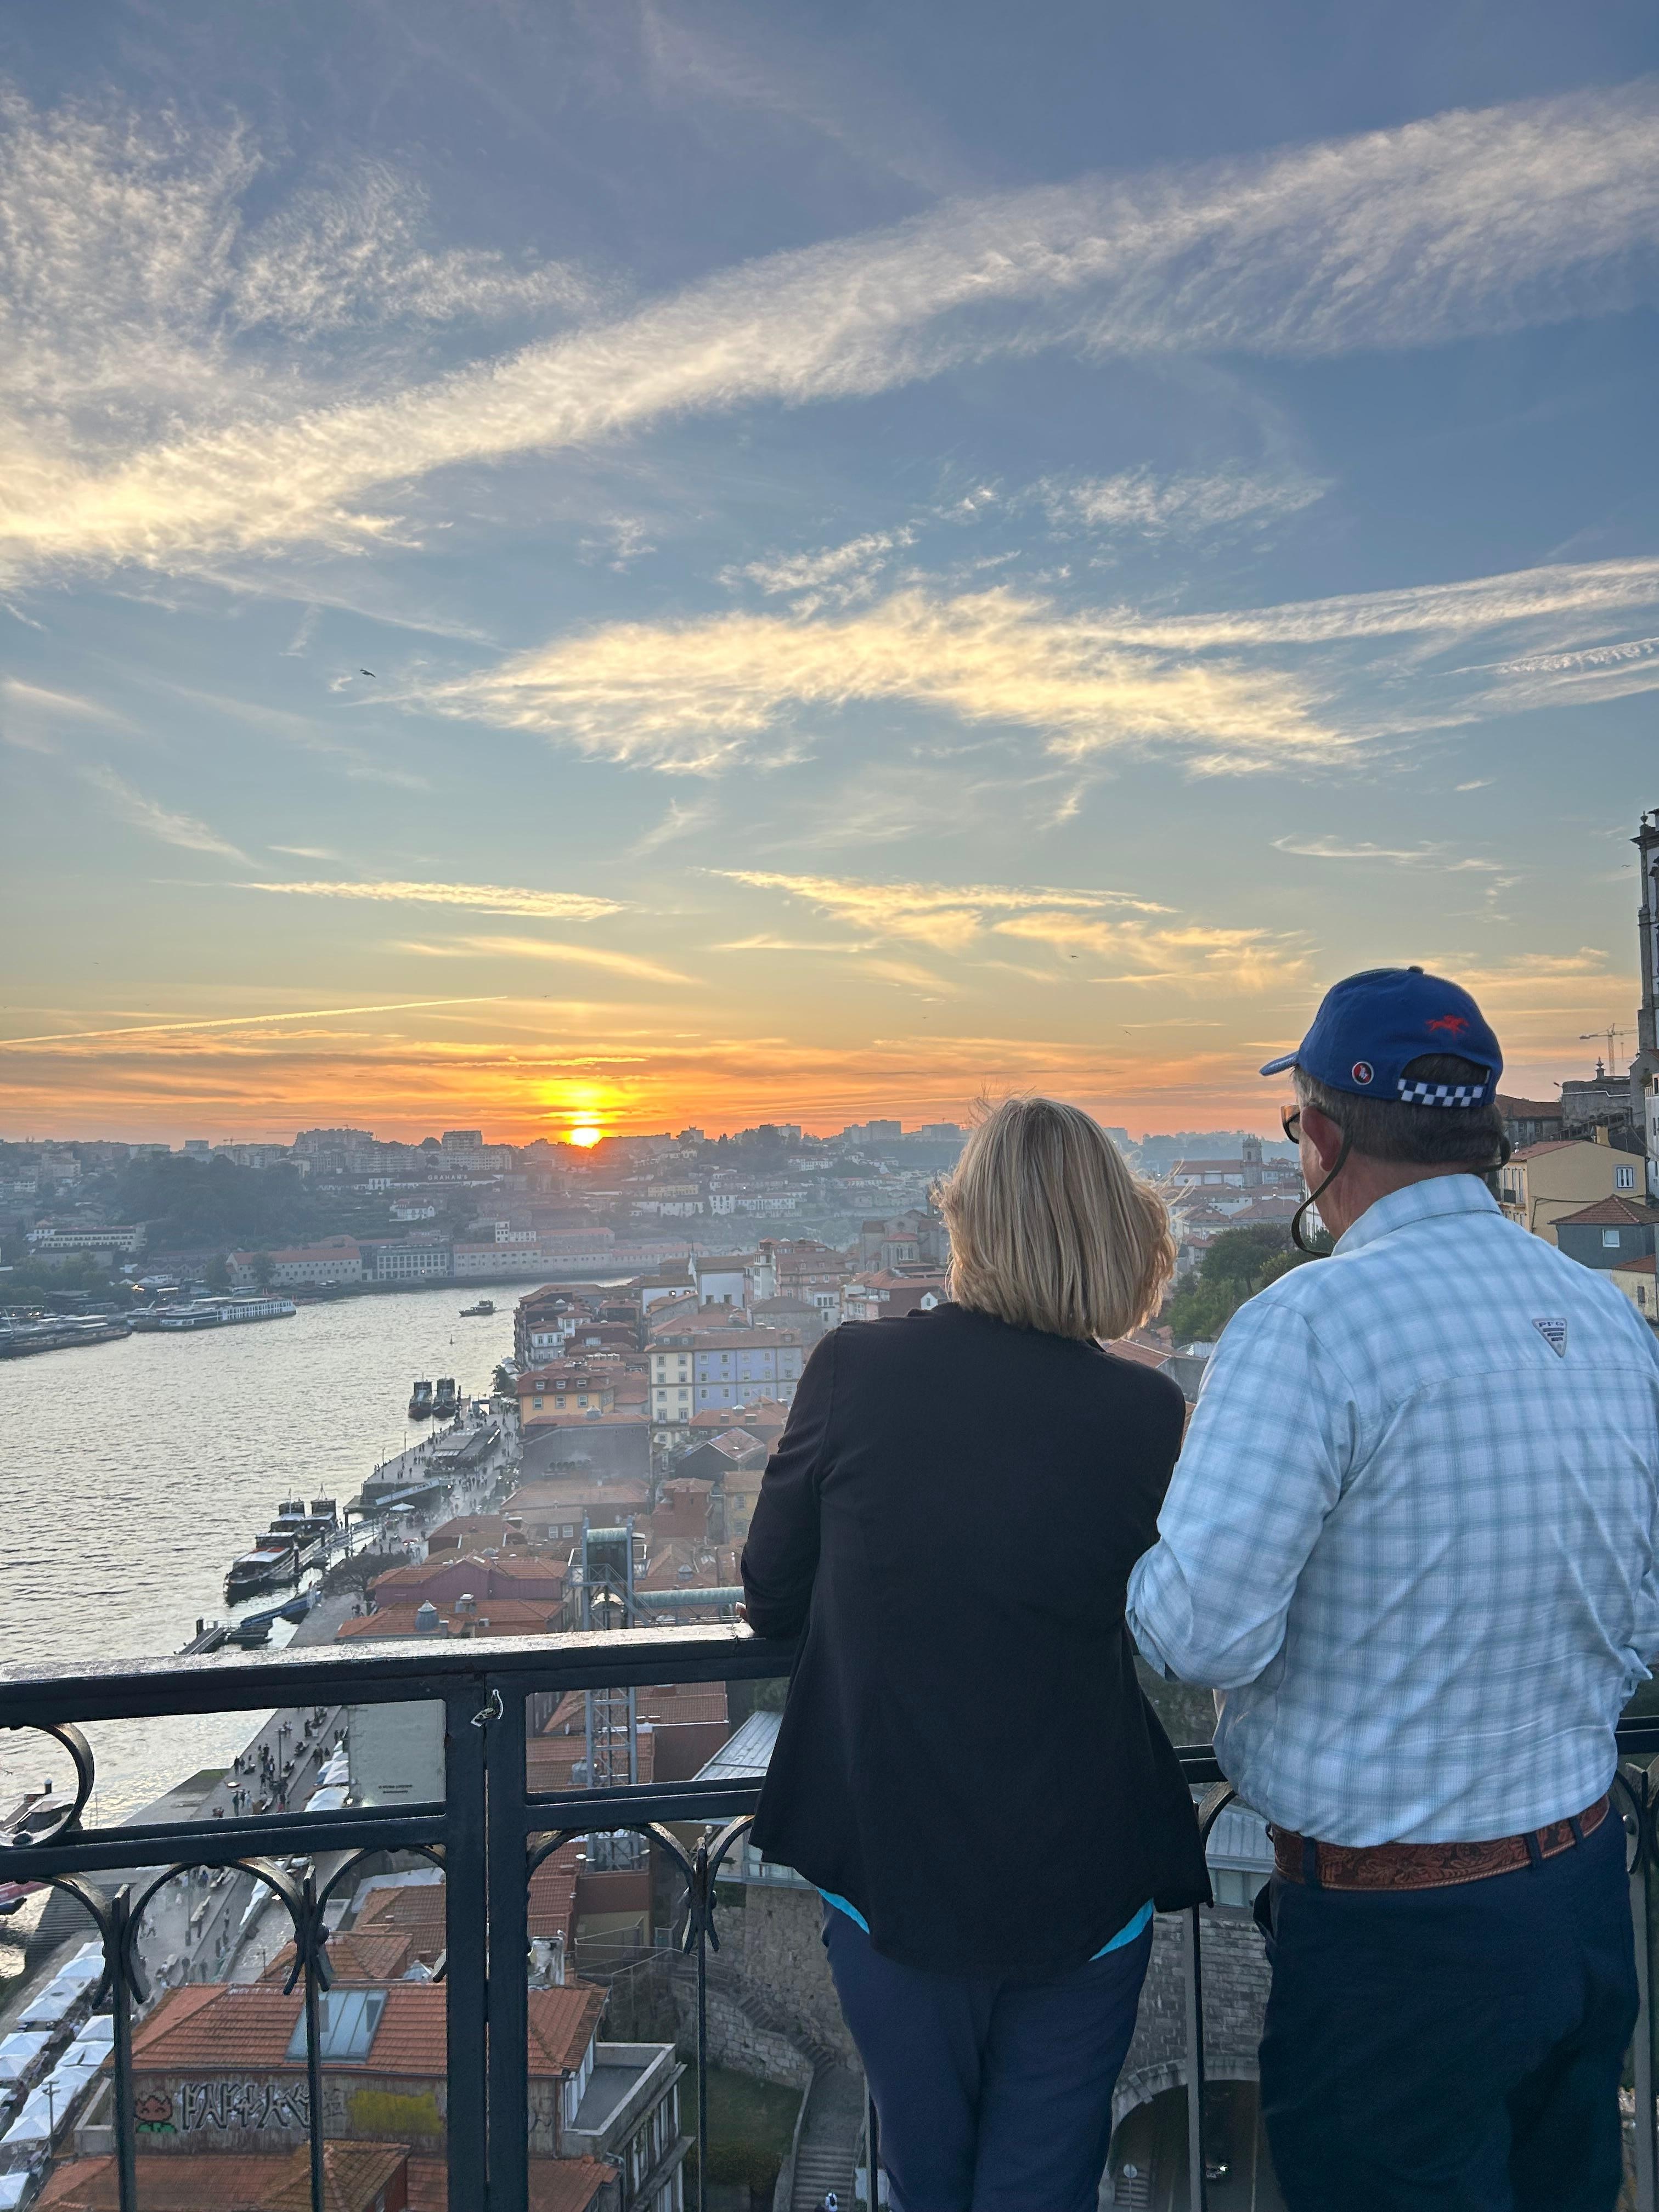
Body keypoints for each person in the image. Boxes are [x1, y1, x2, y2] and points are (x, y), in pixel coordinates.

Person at [1127, 966, 1659, 2212]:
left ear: (1320, 1136)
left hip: (1398, 1948)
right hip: (1584, 1894)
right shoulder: (1609, 1323)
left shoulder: (1308, 1326)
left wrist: (1133, 1545)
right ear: (1486, 1136)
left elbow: (1203, 1633)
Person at [742, 1097, 1210, 2212]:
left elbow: (772, 1594)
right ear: (1112, 1232)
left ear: (965, 1225)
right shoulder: (1145, 1411)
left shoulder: (855, 1369)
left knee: (929, 2176)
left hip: (897, 1855)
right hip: (1083, 1862)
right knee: (1043, 2184)